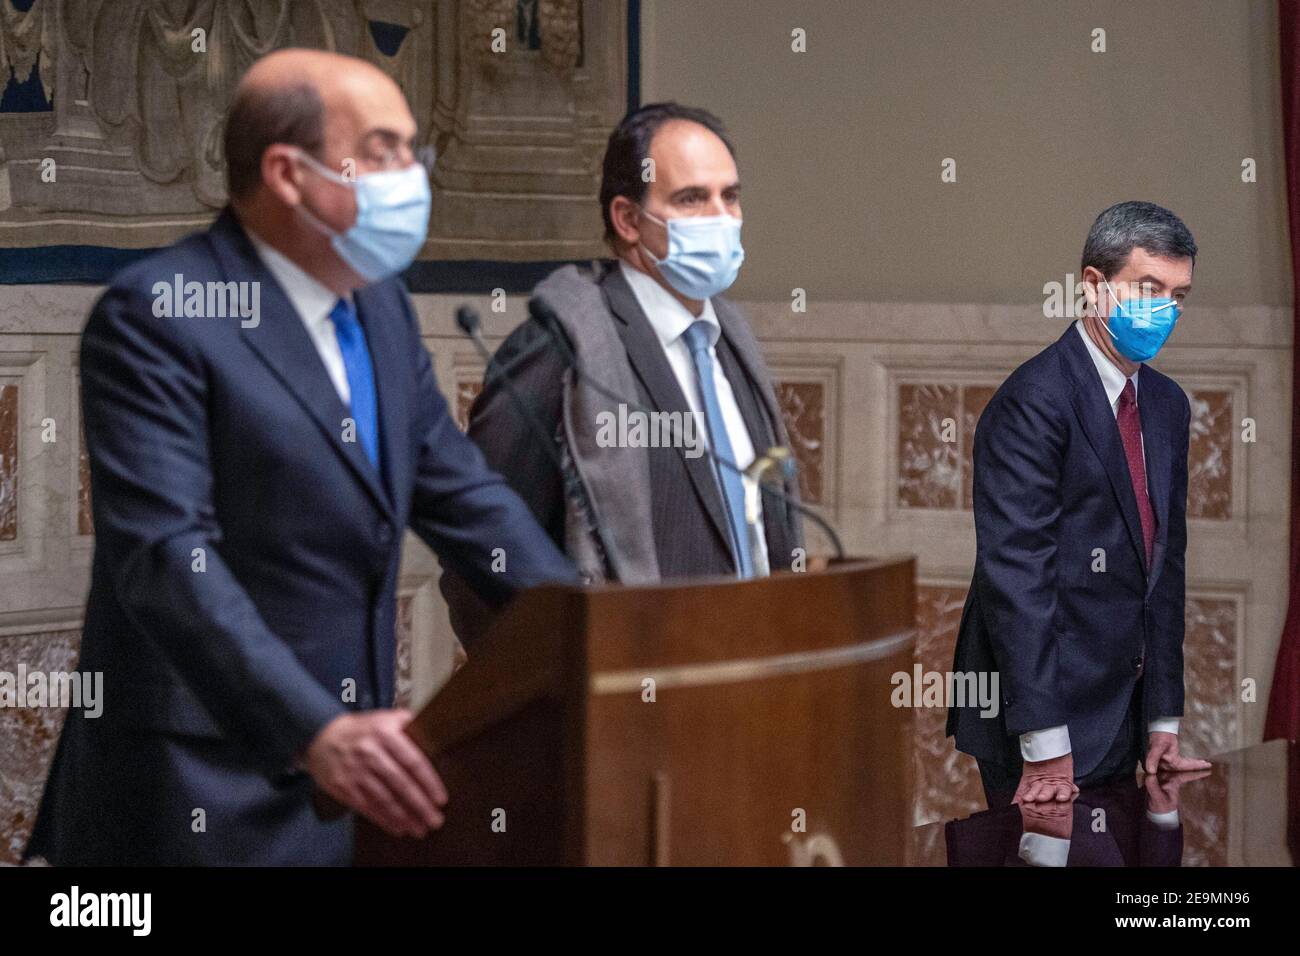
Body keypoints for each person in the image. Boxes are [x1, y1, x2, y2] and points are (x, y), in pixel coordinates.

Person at [24, 48, 576, 865]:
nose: (411, 176)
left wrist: (596, 632)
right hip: (196, 784)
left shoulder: (380, 308)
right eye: (385, 150)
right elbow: (168, 558)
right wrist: (312, 728)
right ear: (287, 172)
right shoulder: (159, 313)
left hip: (342, 787)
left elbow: (466, 497)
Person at [441, 103, 802, 639]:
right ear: (628, 220)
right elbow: (479, 554)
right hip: (623, 695)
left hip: (745, 687)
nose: (722, 218)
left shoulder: (731, 342)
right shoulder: (562, 347)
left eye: (730, 196)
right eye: (692, 199)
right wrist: (558, 686)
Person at [947, 200, 1212, 807]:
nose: (1164, 310)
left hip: (1129, 711)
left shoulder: (1167, 403)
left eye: (1178, 295)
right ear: (1092, 287)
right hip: (1043, 718)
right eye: (1148, 289)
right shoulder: (1032, 401)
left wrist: (1163, 720)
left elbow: (1164, 566)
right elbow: (1015, 579)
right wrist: (1046, 744)